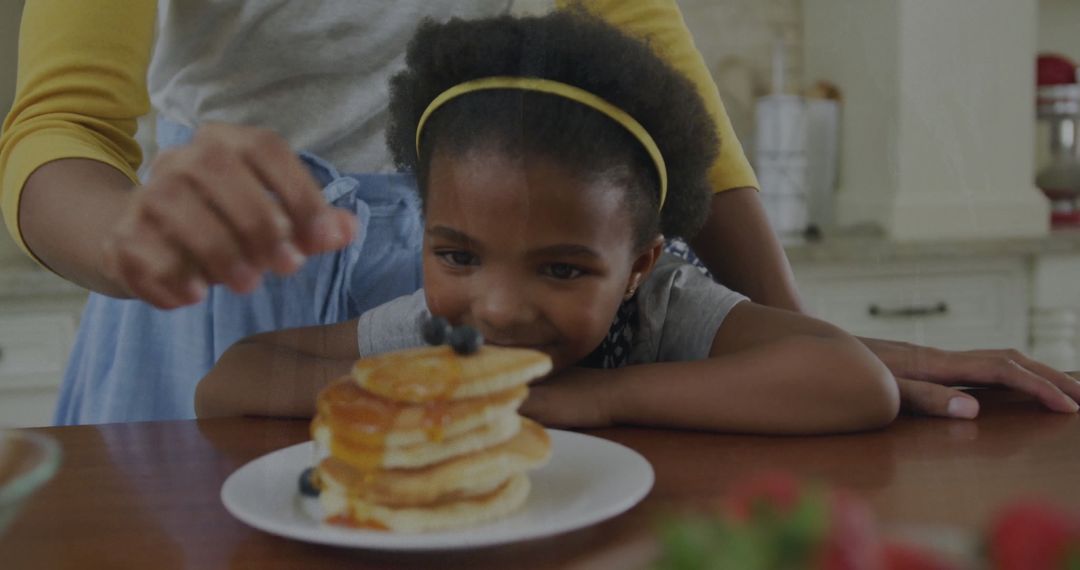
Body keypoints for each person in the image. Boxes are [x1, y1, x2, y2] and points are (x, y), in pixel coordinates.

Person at [2, 1, 1077, 424]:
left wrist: (797, 335)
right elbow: (61, 131)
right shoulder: (418, 324)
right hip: (222, 287)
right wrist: (133, 237)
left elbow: (656, 60)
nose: (501, 310)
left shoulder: (532, 292)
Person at [195, 10, 901, 433]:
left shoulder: (664, 312)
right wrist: (407, 390)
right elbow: (230, 380)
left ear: (639, 267)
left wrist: (599, 397)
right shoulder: (436, 338)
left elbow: (855, 381)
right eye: (459, 257)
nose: (497, 308)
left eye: (562, 269)